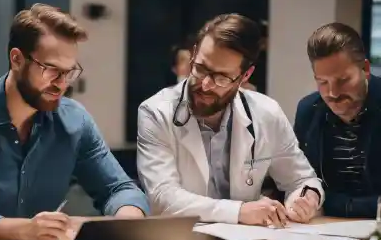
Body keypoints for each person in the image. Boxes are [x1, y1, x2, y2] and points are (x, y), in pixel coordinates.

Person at [0, 3, 149, 240]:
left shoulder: (74, 121)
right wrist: (26, 230)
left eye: (69, 72)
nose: (62, 84)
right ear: (17, 59)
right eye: (51, 70)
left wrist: (120, 222)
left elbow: (122, 189)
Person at [137, 13, 323, 227]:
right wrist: (239, 211)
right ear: (194, 54)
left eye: (221, 77)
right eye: (200, 68)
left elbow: (301, 180)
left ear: (245, 76)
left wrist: (305, 199)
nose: (205, 84)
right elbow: (162, 197)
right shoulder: (156, 112)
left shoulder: (266, 113)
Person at [295, 23, 381, 219]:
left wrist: (327, 203)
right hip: (327, 230)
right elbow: (300, 181)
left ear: (365, 69)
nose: (333, 93)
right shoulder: (309, 111)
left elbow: (322, 200)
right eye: (323, 82)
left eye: (343, 80)